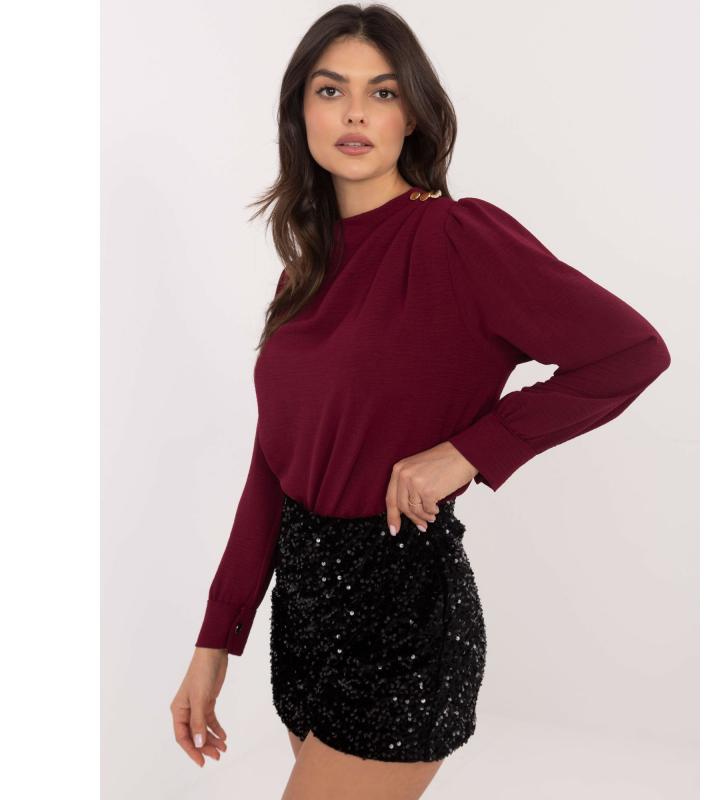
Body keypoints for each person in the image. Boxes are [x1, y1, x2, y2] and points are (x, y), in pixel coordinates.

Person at [169, 5, 671, 798]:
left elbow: (630, 351)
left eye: (383, 92)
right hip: (302, 621)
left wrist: (472, 450)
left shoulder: (457, 238)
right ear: (300, 114)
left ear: (413, 116)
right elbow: (273, 466)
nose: (355, 112)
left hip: (402, 615)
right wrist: (214, 640)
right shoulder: (303, 274)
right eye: (331, 90)